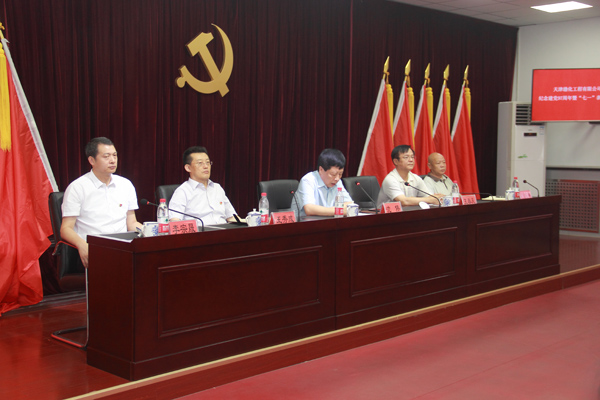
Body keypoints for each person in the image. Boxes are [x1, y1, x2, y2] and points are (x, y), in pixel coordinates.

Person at [61, 137, 142, 268]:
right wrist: (81, 244)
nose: (112, 160)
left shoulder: (125, 184)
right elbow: (65, 229)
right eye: (106, 156)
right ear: (92, 160)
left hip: (123, 248)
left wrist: (150, 232)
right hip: (93, 249)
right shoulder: (77, 187)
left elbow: (132, 223)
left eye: (115, 155)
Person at [169, 146, 237, 226]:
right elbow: (175, 222)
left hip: (224, 231)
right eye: (200, 163)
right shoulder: (182, 191)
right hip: (200, 232)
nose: (206, 166)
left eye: (208, 162)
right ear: (188, 168)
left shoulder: (217, 188)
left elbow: (232, 217)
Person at [376, 145, 444, 208]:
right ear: (396, 161)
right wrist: (430, 200)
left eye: (412, 157)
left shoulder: (416, 178)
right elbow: (403, 201)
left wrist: (437, 198)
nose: (411, 160)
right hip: (387, 215)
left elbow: (429, 196)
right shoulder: (390, 179)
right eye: (406, 157)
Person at [295, 148, 353, 217]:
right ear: (321, 169)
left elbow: (350, 204)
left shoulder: (337, 182)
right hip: (306, 222)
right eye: (333, 174)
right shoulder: (308, 180)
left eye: (340, 174)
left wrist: (334, 210)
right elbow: (309, 209)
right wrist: (338, 211)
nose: (337, 178)